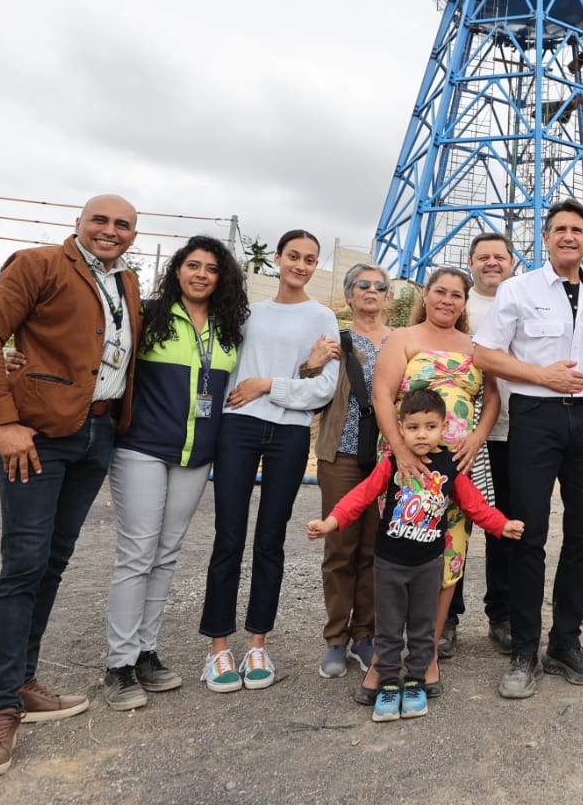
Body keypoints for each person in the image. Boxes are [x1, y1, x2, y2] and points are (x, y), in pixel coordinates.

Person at [0, 194, 143, 779]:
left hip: (98, 435)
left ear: (133, 235)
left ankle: (24, 682)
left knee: (54, 562)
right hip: (38, 435)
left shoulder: (128, 284)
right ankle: (0, 711)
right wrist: (3, 421)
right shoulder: (38, 264)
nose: (110, 231)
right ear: (80, 224)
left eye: (123, 225)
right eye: (100, 220)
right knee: (23, 565)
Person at [473, 199, 583, 699]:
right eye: (559, 228)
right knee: (527, 532)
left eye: (577, 229)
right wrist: (542, 375)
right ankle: (524, 651)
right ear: (546, 237)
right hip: (534, 417)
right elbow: (484, 352)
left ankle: (565, 644)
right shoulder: (517, 289)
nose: (568, 236)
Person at [309, 388, 524, 722]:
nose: (421, 434)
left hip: (428, 564)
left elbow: (476, 506)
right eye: (413, 427)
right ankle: (389, 684)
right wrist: (331, 522)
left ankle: (414, 683)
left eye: (429, 426)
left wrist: (502, 526)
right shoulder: (393, 463)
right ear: (401, 428)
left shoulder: (451, 466)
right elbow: (361, 495)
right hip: (389, 563)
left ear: (443, 428)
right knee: (389, 628)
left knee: (424, 629)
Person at [99, 236, 247, 710]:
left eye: (211, 268)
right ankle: (118, 665)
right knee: (138, 552)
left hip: (195, 456)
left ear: (222, 277)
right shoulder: (151, 314)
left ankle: (145, 653)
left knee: (166, 554)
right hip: (142, 448)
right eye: (192, 265)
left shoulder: (228, 330)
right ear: (177, 270)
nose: (201, 274)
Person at [198, 230, 340, 693]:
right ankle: (219, 648)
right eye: (294, 256)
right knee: (229, 536)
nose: (300, 265)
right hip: (237, 427)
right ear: (278, 259)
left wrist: (266, 385)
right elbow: (228, 369)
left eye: (310, 259)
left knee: (271, 539)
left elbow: (323, 389)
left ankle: (258, 642)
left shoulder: (322, 317)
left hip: (290, 433)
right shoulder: (248, 313)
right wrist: (274, 382)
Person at [352, 266, 497, 704]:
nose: (447, 300)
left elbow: (490, 399)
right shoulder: (404, 338)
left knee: (448, 559)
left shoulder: (476, 346)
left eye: (457, 294)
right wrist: (400, 450)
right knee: (398, 560)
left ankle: (427, 654)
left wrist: (476, 438)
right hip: (407, 468)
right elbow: (381, 395)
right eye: (440, 292)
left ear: (465, 302)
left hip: (455, 468)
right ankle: (384, 659)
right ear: (426, 296)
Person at [310, 264, 393, 681]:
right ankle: (336, 639)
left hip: (388, 457)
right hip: (341, 456)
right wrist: (310, 364)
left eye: (380, 287)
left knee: (375, 549)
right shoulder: (335, 343)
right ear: (349, 295)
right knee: (340, 547)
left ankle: (366, 633)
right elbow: (311, 388)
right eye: (363, 285)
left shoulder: (401, 342)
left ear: (388, 297)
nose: (372, 292)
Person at [443, 231, 520, 658]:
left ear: (512, 262)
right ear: (471, 263)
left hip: (512, 433)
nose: (492, 263)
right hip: (459, 437)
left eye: (500, 257)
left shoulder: (523, 301)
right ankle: (447, 614)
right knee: (453, 522)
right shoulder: (458, 307)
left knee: (504, 525)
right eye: (483, 257)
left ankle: (502, 615)